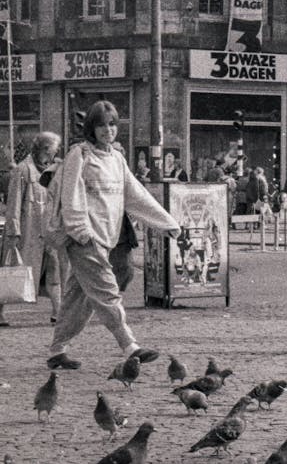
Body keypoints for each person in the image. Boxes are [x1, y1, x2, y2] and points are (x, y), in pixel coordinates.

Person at [43, 100, 181, 370]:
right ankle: (131, 346)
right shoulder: (79, 155)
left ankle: (57, 350)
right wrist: (81, 232)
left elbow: (136, 195)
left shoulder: (116, 158)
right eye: (101, 125)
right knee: (106, 290)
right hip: (85, 238)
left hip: (106, 237)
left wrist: (166, 223)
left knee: (77, 299)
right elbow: (70, 197)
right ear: (91, 129)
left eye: (112, 124)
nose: (108, 130)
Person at [1, 132, 64, 327]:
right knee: (12, 273)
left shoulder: (53, 170)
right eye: (54, 148)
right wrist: (14, 232)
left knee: (54, 273)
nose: (56, 152)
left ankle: (58, 313)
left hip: (49, 231)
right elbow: (14, 202)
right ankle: (0, 311)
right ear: (45, 149)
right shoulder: (23, 170)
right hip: (28, 232)